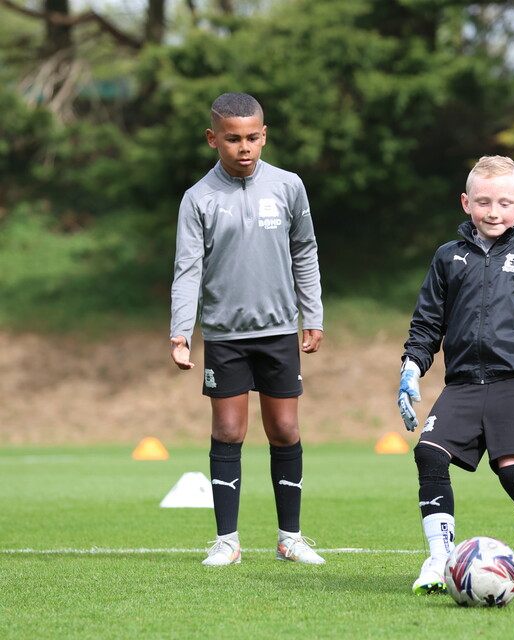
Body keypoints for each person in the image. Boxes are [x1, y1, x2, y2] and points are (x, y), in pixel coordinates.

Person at [398, 155, 514, 595]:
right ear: (466, 203)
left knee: (513, 472)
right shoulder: (448, 257)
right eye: (483, 202)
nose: (493, 212)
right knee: (429, 455)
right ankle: (440, 560)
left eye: (504, 203)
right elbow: (426, 325)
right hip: (462, 383)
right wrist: (410, 369)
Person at [170, 92, 325, 567]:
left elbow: (305, 251)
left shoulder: (289, 186)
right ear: (212, 138)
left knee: (285, 429)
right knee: (228, 430)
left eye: (253, 138)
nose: (244, 147)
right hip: (224, 335)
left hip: (278, 331)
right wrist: (181, 331)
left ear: (264, 135)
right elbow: (188, 268)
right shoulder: (198, 198)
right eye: (233, 139)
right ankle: (227, 542)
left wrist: (313, 315)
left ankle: (290, 539)